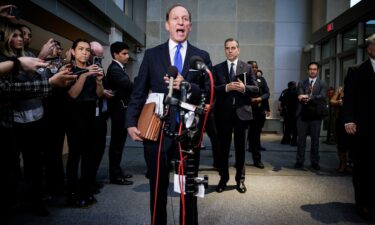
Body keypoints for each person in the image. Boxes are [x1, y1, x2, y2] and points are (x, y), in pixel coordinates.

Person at [125, 4, 211, 225]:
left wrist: (188, 86)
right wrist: (130, 122)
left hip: (188, 136)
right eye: (175, 18)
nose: (180, 22)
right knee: (158, 188)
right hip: (157, 133)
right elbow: (139, 91)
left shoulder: (201, 56)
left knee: (187, 190)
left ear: (189, 26)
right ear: (167, 25)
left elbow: (210, 92)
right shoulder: (152, 55)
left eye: (185, 19)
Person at [213, 38, 258, 193]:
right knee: (223, 149)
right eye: (227, 48)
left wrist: (244, 88)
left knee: (241, 150)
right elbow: (211, 89)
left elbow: (256, 89)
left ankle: (240, 180)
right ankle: (223, 179)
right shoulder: (217, 68)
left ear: (238, 50)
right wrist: (226, 87)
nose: (230, 51)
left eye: (233, 48)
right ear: (225, 50)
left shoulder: (247, 67)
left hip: (242, 115)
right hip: (223, 115)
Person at [65, 38, 104, 208]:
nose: (85, 52)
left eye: (87, 50)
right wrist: (85, 74)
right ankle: (72, 194)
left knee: (90, 155)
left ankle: (86, 190)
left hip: (91, 114)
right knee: (75, 155)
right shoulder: (68, 70)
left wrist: (99, 80)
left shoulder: (94, 70)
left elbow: (100, 94)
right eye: (81, 49)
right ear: (73, 51)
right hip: (75, 115)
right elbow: (73, 94)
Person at [343, 34, 375, 221]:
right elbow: (350, 98)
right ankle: (362, 202)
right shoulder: (355, 70)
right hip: (363, 127)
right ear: (370, 48)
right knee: (363, 166)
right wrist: (348, 120)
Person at [106, 41, 133, 185]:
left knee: (119, 144)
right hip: (118, 112)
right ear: (115, 54)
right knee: (116, 145)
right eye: (124, 53)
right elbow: (128, 86)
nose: (127, 56)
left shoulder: (119, 68)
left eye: (127, 53)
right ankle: (115, 175)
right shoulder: (115, 69)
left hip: (121, 111)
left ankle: (117, 171)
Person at [294, 62, 327, 170]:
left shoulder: (322, 83)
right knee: (301, 140)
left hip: (315, 117)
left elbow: (322, 96)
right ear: (308, 70)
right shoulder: (302, 82)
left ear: (318, 71)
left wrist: (309, 97)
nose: (312, 71)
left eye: (315, 69)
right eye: (311, 69)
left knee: (315, 141)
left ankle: (314, 162)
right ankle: (299, 161)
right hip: (302, 116)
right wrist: (303, 97)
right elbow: (300, 94)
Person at [247, 62, 270, 169]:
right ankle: (239, 161)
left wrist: (260, 99)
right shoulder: (243, 79)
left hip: (258, 112)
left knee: (256, 137)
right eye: (252, 67)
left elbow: (267, 93)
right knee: (242, 138)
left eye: (256, 67)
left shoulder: (262, 79)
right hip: (245, 111)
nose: (255, 69)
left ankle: (257, 160)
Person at [278, 81, 298, 146]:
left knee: (287, 127)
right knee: (294, 128)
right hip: (294, 112)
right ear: (292, 85)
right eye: (295, 85)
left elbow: (281, 101)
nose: (295, 85)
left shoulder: (285, 92)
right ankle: (294, 141)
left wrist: (281, 109)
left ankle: (286, 140)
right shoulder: (297, 92)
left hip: (287, 112)